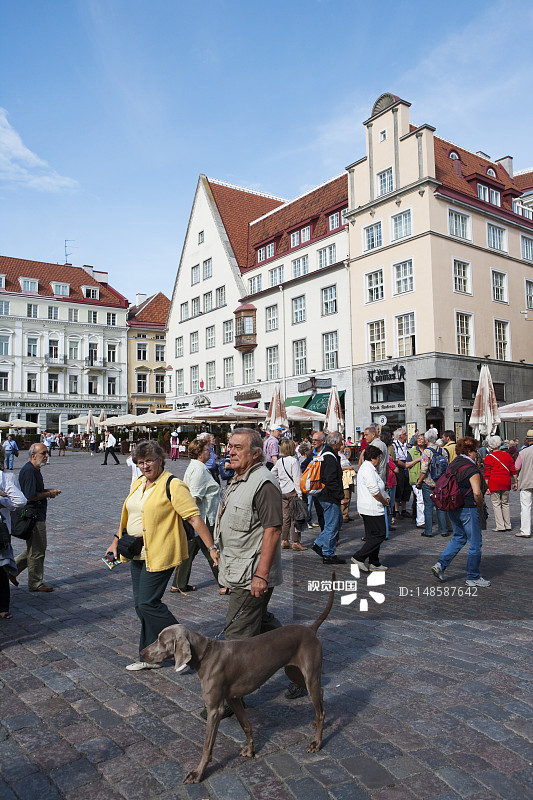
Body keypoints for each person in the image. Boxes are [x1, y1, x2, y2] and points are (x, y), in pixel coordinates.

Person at [105, 440, 218, 670]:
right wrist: (115, 541)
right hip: (136, 552)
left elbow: (194, 518)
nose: (145, 465)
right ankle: (150, 656)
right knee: (140, 606)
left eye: (149, 460)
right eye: (140, 462)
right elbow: (127, 517)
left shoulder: (172, 484)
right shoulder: (139, 483)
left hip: (161, 552)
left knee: (148, 603)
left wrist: (212, 548)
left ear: (160, 460)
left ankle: (190, 646)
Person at [215, 427, 283, 640]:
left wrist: (261, 575)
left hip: (251, 574)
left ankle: (239, 672)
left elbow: (273, 530)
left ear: (255, 453)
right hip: (238, 569)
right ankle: (292, 646)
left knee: (237, 635)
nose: (231, 452)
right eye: (230, 447)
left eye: (238, 448)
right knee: (259, 622)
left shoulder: (263, 482)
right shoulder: (240, 477)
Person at [431, 436, 490, 587]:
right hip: (468, 507)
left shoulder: (454, 464)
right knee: (475, 543)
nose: (477, 453)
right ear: (470, 451)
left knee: (459, 537)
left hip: (453, 506)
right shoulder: (471, 469)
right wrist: (481, 506)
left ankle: (440, 565)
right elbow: (477, 492)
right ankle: (473, 576)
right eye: (475, 451)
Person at [170, 437, 222, 594]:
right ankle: (224, 584)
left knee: (188, 553)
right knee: (212, 550)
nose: (210, 452)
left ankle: (178, 583)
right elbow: (193, 497)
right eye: (208, 450)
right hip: (203, 519)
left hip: (199, 519)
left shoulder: (197, 466)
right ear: (200, 453)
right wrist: (192, 521)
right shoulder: (199, 470)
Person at [15, 444, 61, 592]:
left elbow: (35, 491)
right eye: (43, 453)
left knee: (35, 548)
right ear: (33, 455)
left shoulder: (34, 470)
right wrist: (48, 494)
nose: (46, 456)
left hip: (37, 513)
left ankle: (10, 570)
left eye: (47, 453)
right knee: (37, 550)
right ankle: (35, 582)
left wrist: (48, 491)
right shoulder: (29, 471)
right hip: (33, 515)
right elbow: (29, 496)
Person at [351, 445, 390, 572]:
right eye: (378, 457)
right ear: (374, 458)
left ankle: (374, 562)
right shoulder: (367, 469)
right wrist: (383, 500)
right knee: (380, 534)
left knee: (372, 535)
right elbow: (374, 490)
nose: (379, 460)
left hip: (370, 506)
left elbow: (379, 487)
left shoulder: (370, 469)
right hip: (372, 507)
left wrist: (386, 496)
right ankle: (359, 557)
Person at [310, 431, 346, 565]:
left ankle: (323, 547)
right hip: (329, 496)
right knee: (332, 524)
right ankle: (326, 552)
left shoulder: (326, 454)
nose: (343, 444)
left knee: (336, 523)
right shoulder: (330, 456)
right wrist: (341, 496)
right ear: (335, 443)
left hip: (325, 495)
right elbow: (331, 480)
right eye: (341, 441)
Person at [0, 454, 28, 619]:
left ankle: (3, 606)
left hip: (2, 530)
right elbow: (20, 501)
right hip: (3, 530)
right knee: (1, 567)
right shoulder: (2, 476)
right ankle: (3, 607)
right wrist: (5, 502)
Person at [271, 439, 306, 551]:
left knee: (285, 517)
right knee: (296, 517)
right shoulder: (293, 461)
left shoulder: (280, 461)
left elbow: (273, 473)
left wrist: (280, 482)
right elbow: (297, 478)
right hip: (293, 491)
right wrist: (299, 493)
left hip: (283, 491)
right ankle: (296, 542)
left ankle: (284, 540)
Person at [416, 429, 448, 537]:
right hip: (441, 483)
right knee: (440, 506)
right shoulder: (442, 450)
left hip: (429, 482)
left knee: (428, 507)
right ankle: (443, 530)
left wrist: (419, 481)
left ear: (427, 439)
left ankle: (428, 531)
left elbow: (424, 469)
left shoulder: (427, 451)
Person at [484, 435, 517, 532]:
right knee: (505, 503)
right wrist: (516, 481)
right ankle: (508, 524)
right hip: (506, 481)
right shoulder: (507, 455)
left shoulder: (489, 457)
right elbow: (513, 469)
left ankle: (500, 525)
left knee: (496, 504)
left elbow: (487, 474)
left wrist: (486, 486)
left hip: (494, 482)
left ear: (490, 445)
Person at [515, 430, 533, 538]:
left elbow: (516, 467)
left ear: (527, 440)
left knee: (526, 507)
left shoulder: (523, 452)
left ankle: (525, 531)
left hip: (526, 481)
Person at [391, 428, 411, 518]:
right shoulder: (394, 445)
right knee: (399, 488)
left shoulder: (407, 445)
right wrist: (405, 465)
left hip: (407, 466)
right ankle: (396, 510)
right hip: (400, 467)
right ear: (400, 436)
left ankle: (404, 509)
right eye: (405, 433)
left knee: (406, 488)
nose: (406, 435)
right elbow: (396, 459)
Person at [407, 434, 425, 528]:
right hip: (415, 479)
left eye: (422, 439)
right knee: (420, 499)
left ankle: (425, 519)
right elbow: (407, 464)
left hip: (426, 478)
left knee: (425, 500)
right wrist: (417, 460)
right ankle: (420, 521)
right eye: (419, 439)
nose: (420, 440)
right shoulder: (412, 451)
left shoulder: (427, 451)